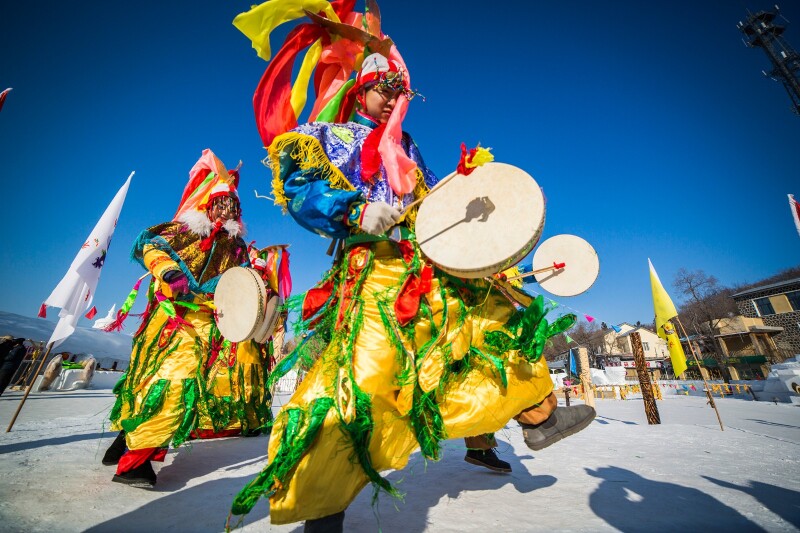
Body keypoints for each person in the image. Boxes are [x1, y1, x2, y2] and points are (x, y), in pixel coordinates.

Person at [231, 6, 594, 529]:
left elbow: (434, 217)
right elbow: (301, 191)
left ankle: (540, 416)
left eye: (399, 92)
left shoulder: (409, 152)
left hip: (427, 274)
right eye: (384, 88)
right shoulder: (330, 138)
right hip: (373, 279)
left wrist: (467, 206)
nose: (392, 100)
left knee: (498, 323)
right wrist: (354, 210)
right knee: (361, 385)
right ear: (359, 90)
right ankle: (320, 507)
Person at [101, 150, 272, 487]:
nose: (227, 210)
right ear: (209, 203)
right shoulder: (186, 231)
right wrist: (168, 273)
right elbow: (151, 247)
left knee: (175, 384)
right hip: (169, 320)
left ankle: (133, 452)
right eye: (222, 202)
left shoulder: (236, 248)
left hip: (204, 325)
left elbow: (243, 288)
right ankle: (132, 454)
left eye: (232, 206)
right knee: (153, 381)